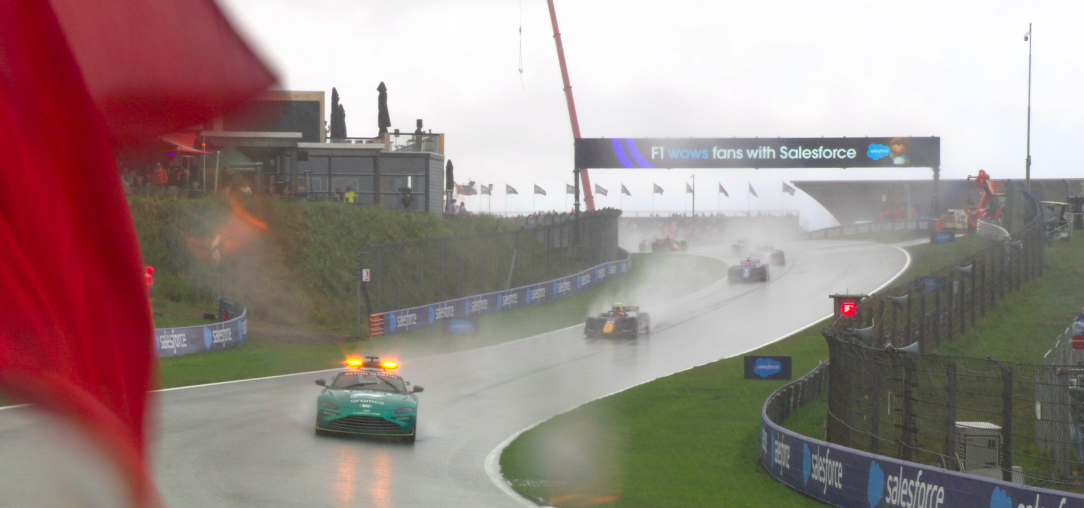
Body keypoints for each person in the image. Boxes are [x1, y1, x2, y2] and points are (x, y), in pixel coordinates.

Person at [1071, 375, 1084, 473]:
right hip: (1077, 420)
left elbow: (1070, 390)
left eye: (1079, 380)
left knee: (1076, 440)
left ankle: (1080, 462)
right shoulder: (1077, 391)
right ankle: (1080, 462)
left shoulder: (1079, 392)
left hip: (1079, 421)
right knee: (1076, 440)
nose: (1077, 382)